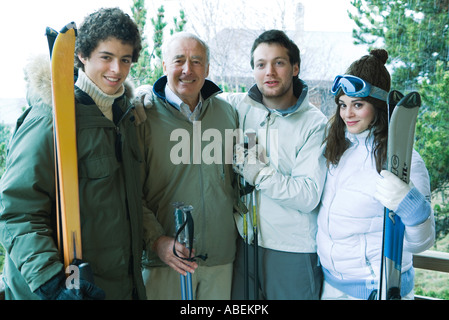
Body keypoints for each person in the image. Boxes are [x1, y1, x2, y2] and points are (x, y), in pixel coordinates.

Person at [0, 7, 147, 300]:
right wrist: (52, 284)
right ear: (82, 56)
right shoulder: (50, 116)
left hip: (116, 285)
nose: (117, 70)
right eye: (106, 57)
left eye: (125, 59)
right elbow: (17, 210)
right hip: (65, 289)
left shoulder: (126, 118)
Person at [316, 49, 435, 300]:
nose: (347, 114)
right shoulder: (338, 150)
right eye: (343, 105)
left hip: (376, 289)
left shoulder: (405, 160)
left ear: (378, 106)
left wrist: (413, 208)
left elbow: (421, 243)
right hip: (332, 286)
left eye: (358, 105)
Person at [226, 29, 328, 299]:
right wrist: (149, 94)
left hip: (291, 250)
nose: (269, 71)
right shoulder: (238, 106)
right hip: (246, 246)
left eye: (278, 62)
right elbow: (192, 96)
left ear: (295, 68)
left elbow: (308, 196)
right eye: (261, 64)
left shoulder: (315, 124)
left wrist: (259, 174)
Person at [137, 32, 239, 300]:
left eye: (196, 61)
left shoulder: (227, 114)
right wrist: (156, 241)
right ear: (163, 67)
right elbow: (131, 192)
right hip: (166, 261)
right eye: (179, 60)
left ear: (207, 69)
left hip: (219, 260)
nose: (187, 69)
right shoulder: (142, 117)